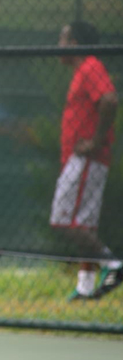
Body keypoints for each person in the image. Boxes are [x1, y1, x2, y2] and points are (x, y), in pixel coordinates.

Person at [50, 21, 122, 301]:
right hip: (81, 160)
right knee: (84, 224)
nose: (59, 46)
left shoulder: (90, 65)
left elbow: (109, 100)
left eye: (63, 39)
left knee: (64, 220)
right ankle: (85, 287)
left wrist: (94, 141)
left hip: (87, 159)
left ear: (76, 43)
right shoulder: (83, 70)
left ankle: (114, 264)